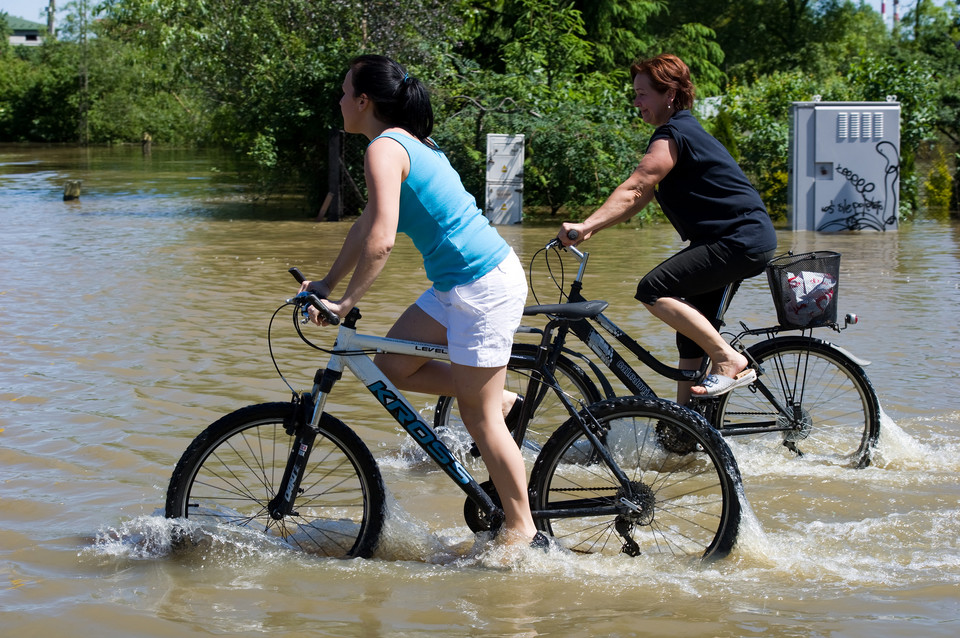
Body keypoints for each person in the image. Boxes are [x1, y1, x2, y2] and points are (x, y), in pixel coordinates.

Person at [299, 55, 545, 549]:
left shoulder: (385, 150)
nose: (340, 101)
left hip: (483, 283)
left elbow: (383, 241)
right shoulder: (404, 144)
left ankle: (521, 531)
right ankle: (504, 400)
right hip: (457, 283)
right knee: (392, 363)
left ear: (364, 102)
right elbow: (365, 226)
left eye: (345, 93)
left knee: (478, 419)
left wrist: (346, 303)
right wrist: (325, 284)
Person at [559, 53, 777, 403]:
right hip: (737, 239)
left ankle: (727, 359)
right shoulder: (684, 131)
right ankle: (685, 429)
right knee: (690, 331)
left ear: (670, 95)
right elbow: (641, 196)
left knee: (653, 289)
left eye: (643, 93)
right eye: (635, 93)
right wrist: (593, 230)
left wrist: (584, 226)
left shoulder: (672, 133)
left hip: (737, 240)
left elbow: (637, 185)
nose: (637, 102)